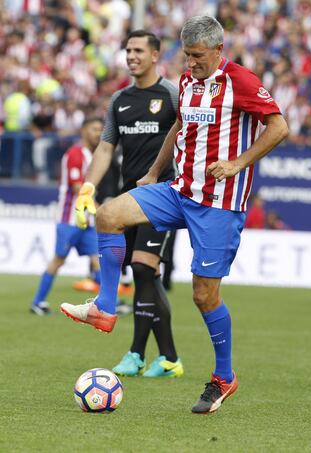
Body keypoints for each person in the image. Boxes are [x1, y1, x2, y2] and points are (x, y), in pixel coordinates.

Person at [61, 16, 288, 413]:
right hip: (178, 190)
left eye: (198, 56)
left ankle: (223, 378)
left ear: (219, 49)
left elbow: (279, 126)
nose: (191, 63)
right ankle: (105, 307)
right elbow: (180, 126)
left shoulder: (242, 82)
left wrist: (237, 163)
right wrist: (151, 174)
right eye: (187, 56)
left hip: (217, 204)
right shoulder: (187, 82)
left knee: (204, 296)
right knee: (109, 215)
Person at [64, 30, 183, 378]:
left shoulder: (172, 95)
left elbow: (187, 133)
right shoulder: (120, 100)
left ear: (156, 55)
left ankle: (137, 353)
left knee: (145, 268)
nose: (131, 55)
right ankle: (166, 357)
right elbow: (105, 148)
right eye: (128, 50)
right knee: (141, 273)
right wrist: (88, 186)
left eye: (138, 50)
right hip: (128, 200)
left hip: (163, 196)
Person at [30, 117, 103, 315]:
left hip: (86, 220)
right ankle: (38, 302)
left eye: (100, 129)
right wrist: (101, 208)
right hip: (69, 218)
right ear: (84, 131)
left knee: (97, 259)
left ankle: (107, 303)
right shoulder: (75, 154)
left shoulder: (91, 154)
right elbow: (78, 187)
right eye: (94, 129)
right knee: (59, 259)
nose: (98, 133)